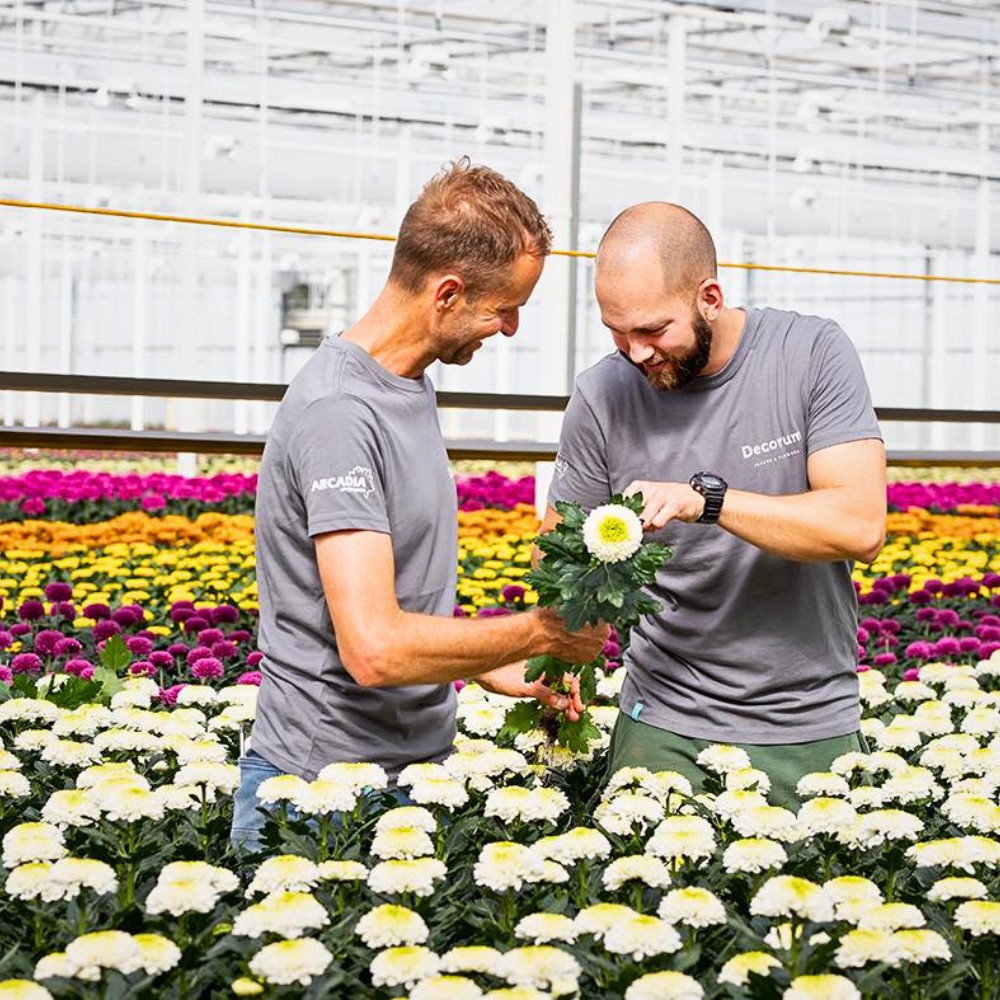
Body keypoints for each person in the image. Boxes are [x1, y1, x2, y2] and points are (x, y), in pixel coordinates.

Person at [232, 160, 608, 852]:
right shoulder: (340, 413)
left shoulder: (405, 387)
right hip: (322, 800)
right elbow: (375, 649)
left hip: (403, 781)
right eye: (504, 307)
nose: (512, 327)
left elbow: (401, 610)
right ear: (447, 294)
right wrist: (542, 633)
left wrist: (489, 665)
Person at [544, 202, 886, 808]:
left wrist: (706, 502)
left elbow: (858, 525)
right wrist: (562, 654)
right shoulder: (601, 396)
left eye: (653, 330)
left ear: (709, 296)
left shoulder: (810, 355)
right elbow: (561, 556)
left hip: (807, 720)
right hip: (663, 718)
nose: (637, 352)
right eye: (617, 331)